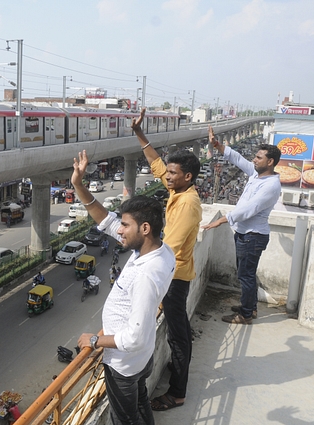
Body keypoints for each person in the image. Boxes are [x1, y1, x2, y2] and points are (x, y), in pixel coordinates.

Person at [72, 150, 176, 425]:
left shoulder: (146, 274)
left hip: (124, 365)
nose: (119, 231)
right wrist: (78, 185)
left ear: (144, 228)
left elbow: (134, 339)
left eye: (125, 226)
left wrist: (94, 341)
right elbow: (106, 222)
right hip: (140, 361)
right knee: (141, 406)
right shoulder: (160, 251)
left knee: (124, 419)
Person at [131, 108, 202, 412]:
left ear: (187, 177)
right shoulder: (179, 190)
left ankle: (178, 392)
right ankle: (181, 367)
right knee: (181, 331)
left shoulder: (187, 204)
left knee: (177, 337)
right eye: (168, 174)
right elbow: (157, 165)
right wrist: (139, 133)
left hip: (174, 278)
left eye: (173, 174)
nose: (167, 177)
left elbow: (168, 250)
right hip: (177, 275)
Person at [202, 125, 282, 324]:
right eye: (255, 157)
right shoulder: (257, 174)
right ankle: (250, 307)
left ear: (270, 162)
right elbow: (238, 159)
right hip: (246, 234)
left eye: (258, 158)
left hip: (253, 236)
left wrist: (222, 220)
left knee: (245, 276)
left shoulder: (271, 185)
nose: (254, 160)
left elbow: (249, 209)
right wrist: (218, 146)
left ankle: (246, 314)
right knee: (246, 275)